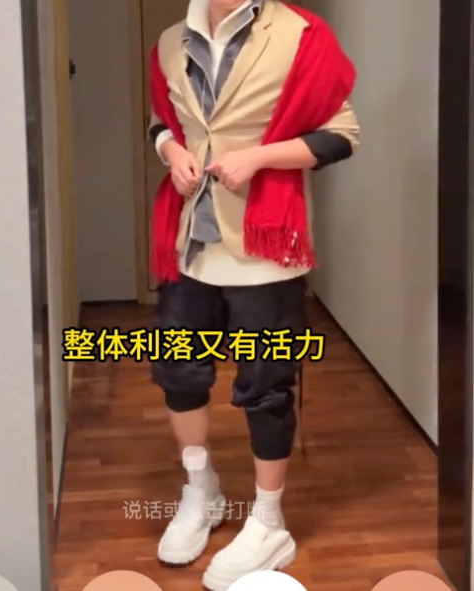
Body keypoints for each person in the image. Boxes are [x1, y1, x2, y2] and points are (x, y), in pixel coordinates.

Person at [146, 1, 359, 589]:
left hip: (265, 245)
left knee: (265, 386)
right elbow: (161, 121)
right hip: (191, 242)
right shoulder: (169, 41)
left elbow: (341, 135)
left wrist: (261, 157)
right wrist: (171, 151)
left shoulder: (301, 35)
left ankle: (268, 522)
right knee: (178, 372)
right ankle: (202, 489)